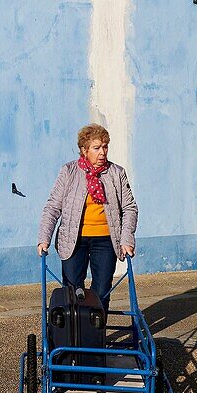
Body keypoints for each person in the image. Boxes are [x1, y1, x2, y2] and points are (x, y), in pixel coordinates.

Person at [37, 124, 137, 314]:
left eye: (105, 146)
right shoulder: (69, 172)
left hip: (106, 240)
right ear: (84, 150)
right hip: (73, 240)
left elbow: (130, 208)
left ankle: (96, 338)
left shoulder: (117, 173)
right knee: (73, 290)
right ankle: (73, 337)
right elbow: (52, 207)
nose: (102, 152)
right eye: (97, 147)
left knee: (101, 291)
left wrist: (127, 240)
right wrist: (44, 238)